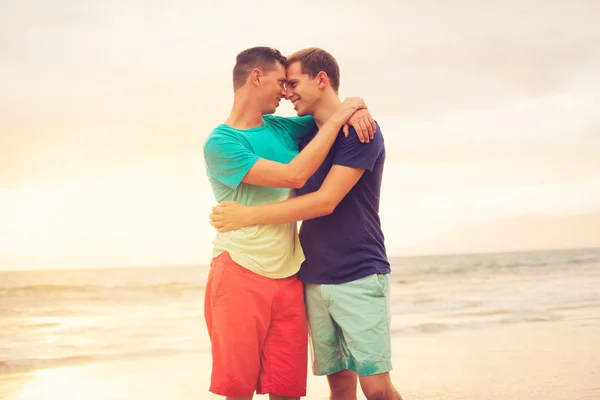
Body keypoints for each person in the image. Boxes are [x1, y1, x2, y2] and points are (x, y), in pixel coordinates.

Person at [210, 48, 404, 400]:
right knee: (328, 385)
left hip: (327, 273)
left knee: (357, 388)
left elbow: (325, 194)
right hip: (285, 273)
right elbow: (296, 164)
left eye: (292, 82)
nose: (286, 92)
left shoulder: (328, 131)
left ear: (320, 79)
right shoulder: (254, 138)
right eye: (282, 82)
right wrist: (350, 106)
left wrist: (355, 106)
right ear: (257, 77)